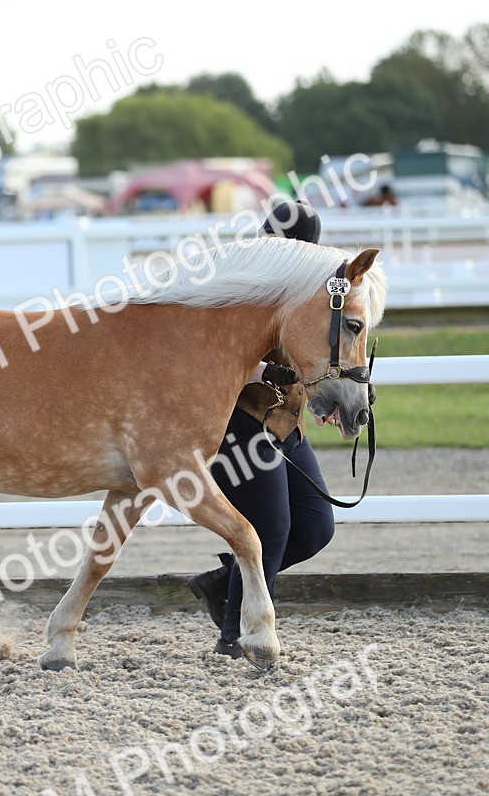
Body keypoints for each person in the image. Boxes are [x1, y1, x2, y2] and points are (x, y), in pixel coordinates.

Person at [187, 199, 336, 659]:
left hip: (287, 422)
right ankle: (235, 633)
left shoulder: (304, 290)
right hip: (239, 420)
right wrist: (263, 374)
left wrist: (322, 395)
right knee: (270, 526)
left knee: (314, 528)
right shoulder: (238, 287)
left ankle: (221, 583)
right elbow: (211, 355)